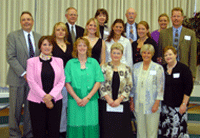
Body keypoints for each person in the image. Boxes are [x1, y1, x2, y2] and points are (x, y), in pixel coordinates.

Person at [6, 11, 41, 138]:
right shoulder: (13, 36)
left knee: (29, 110)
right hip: (17, 79)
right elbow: (10, 57)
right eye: (24, 19)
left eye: (29, 19)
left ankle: (28, 134)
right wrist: (25, 73)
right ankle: (14, 134)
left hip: (33, 82)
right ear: (20, 22)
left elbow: (40, 58)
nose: (26, 21)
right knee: (14, 111)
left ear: (32, 21)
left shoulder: (38, 37)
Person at [65, 37, 104, 138]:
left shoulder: (94, 62)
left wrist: (88, 97)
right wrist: (77, 98)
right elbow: (67, 83)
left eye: (84, 45)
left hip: (91, 100)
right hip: (74, 100)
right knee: (75, 123)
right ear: (76, 48)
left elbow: (98, 81)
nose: (82, 47)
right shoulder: (70, 63)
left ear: (88, 48)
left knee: (91, 124)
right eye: (79, 45)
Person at [26, 36, 65, 138]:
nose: (47, 47)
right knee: (38, 131)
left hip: (55, 100)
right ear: (40, 47)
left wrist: (51, 96)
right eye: (44, 44)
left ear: (53, 47)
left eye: (50, 44)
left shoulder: (59, 61)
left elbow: (61, 81)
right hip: (36, 101)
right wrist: (45, 98)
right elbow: (31, 81)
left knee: (54, 130)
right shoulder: (31, 62)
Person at [99, 42, 133, 138]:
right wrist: (108, 99)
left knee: (121, 129)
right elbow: (101, 84)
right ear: (110, 54)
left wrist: (119, 99)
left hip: (121, 103)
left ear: (122, 55)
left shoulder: (126, 68)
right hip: (106, 102)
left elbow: (129, 85)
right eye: (114, 53)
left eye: (118, 53)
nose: (116, 55)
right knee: (107, 128)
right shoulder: (104, 67)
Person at [130, 44, 165, 138]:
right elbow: (132, 85)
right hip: (138, 104)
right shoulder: (135, 67)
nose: (146, 55)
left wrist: (157, 103)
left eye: (148, 53)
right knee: (140, 131)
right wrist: (131, 101)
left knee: (152, 131)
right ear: (141, 53)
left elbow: (160, 87)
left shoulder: (158, 68)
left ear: (152, 54)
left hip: (152, 104)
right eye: (144, 52)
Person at [159, 46, 193, 138]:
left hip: (179, 107)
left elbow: (188, 87)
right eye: (166, 55)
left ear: (175, 55)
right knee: (165, 133)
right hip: (165, 108)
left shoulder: (183, 69)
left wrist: (184, 104)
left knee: (178, 133)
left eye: (170, 54)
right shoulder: (162, 69)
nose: (168, 57)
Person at [158, 7, 197, 78]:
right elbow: (160, 53)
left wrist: (193, 74)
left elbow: (193, 56)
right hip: (167, 69)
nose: (176, 18)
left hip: (184, 69)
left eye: (178, 16)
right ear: (171, 18)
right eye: (174, 16)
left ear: (182, 18)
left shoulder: (190, 33)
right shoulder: (163, 33)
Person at [51, 22, 72, 137]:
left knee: (68, 104)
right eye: (58, 29)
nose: (60, 32)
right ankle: (59, 129)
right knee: (59, 105)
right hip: (56, 80)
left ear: (66, 32)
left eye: (63, 30)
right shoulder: (51, 45)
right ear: (54, 31)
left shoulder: (69, 45)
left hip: (69, 79)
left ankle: (66, 129)